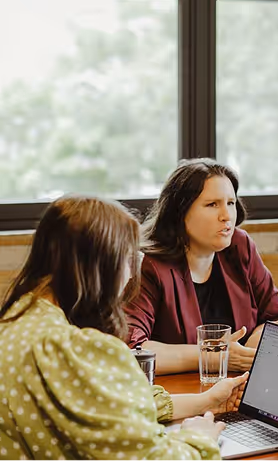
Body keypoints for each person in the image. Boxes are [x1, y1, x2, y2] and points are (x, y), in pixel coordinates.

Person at [0, 194, 249, 459]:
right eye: (128, 261)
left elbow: (107, 401)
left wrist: (206, 400)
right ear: (100, 268)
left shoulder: (16, 321)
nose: (131, 275)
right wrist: (199, 439)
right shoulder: (73, 350)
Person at [125, 158, 278, 374]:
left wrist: (249, 352)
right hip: (177, 398)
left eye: (230, 203)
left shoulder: (240, 246)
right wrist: (214, 356)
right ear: (180, 212)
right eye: (212, 204)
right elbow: (132, 352)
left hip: (237, 388)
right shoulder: (148, 264)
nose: (226, 216)